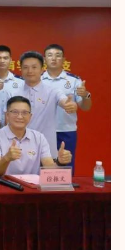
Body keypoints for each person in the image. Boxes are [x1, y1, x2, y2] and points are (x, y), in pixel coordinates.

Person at [0, 51, 78, 155]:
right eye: (26, 67)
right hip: (19, 151)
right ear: (21, 70)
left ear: (42, 69)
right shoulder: (12, 93)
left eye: (34, 67)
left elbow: (64, 101)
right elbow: (7, 122)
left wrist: (69, 105)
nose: (30, 71)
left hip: (46, 151)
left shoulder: (52, 91)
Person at [0, 96, 72, 176]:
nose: (20, 116)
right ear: (7, 115)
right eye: (15, 112)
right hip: (3, 184)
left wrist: (60, 162)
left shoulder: (39, 137)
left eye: (25, 113)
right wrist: (6, 158)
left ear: (30, 116)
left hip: (31, 185)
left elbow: (49, 168)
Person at [41, 43, 92, 173]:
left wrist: (85, 95)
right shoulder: (37, 80)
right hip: (42, 131)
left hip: (66, 131)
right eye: (50, 55)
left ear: (64, 59)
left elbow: (85, 107)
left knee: (65, 170)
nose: (54, 58)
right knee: (43, 169)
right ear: (44, 59)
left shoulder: (74, 80)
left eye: (58, 55)